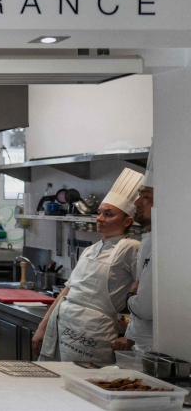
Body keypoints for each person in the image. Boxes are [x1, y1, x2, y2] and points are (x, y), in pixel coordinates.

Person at [33, 168, 143, 363]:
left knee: (84, 384)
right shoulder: (90, 250)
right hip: (62, 326)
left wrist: (131, 334)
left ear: (128, 221)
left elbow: (143, 296)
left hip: (94, 332)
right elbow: (66, 291)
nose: (99, 218)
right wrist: (43, 326)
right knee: (54, 383)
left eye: (108, 214)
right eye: (99, 213)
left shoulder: (131, 248)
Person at [114, 147, 155, 352]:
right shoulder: (149, 239)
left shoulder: (165, 247)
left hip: (153, 349)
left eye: (145, 196)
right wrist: (129, 339)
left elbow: (145, 308)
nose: (137, 202)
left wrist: (131, 296)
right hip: (139, 346)